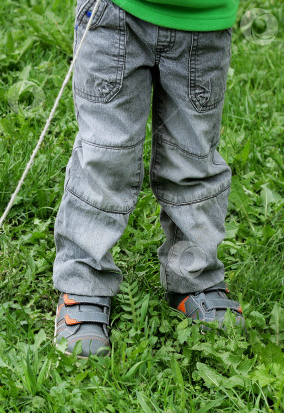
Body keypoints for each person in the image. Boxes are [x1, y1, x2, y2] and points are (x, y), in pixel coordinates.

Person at [53, 0, 244, 357]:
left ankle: (194, 278)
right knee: (106, 157)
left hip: (203, 18)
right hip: (116, 15)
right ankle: (84, 284)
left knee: (193, 159)